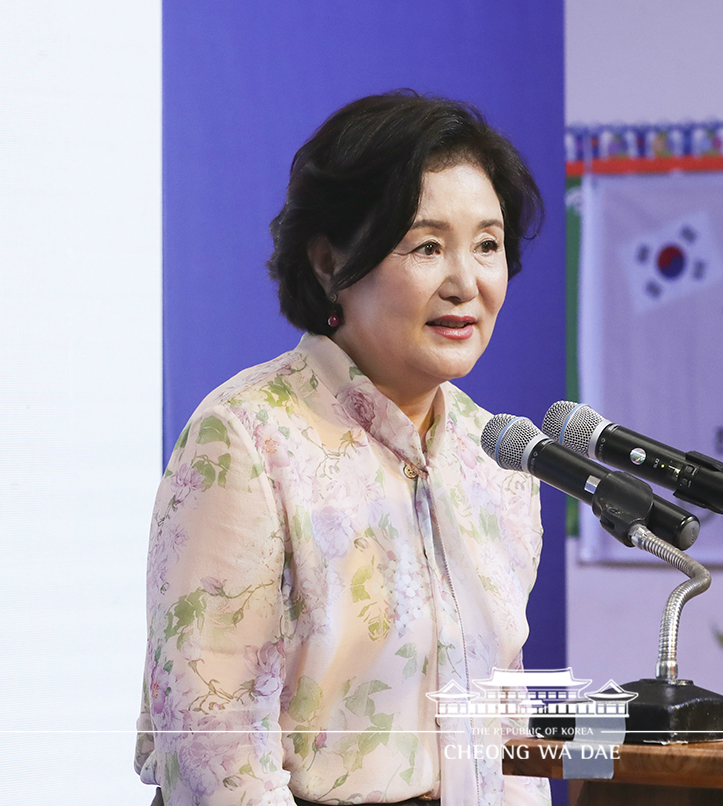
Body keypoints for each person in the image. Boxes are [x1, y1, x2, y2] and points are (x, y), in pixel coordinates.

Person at [135, 91, 550, 806]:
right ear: (329, 261)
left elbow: (500, 721)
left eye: (487, 244)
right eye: (426, 246)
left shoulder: (498, 456)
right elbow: (210, 738)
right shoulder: (248, 437)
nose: (466, 282)